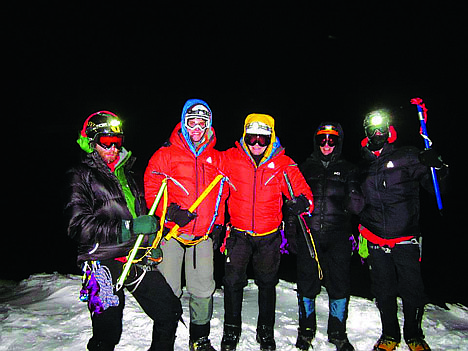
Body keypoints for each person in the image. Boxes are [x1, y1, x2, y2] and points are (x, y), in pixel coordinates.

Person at [64, 111, 182, 351]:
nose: (114, 148)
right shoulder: (80, 175)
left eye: (118, 142)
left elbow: (140, 215)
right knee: (108, 330)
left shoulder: (127, 173)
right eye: (107, 142)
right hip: (101, 260)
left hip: (133, 256)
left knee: (169, 311)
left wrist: (149, 238)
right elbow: (78, 226)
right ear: (91, 141)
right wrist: (129, 229)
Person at [356, 109, 448, 351]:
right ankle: (390, 335)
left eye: (382, 129)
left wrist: (437, 166)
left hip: (405, 235)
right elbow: (356, 200)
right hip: (375, 236)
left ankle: (414, 335)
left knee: (412, 289)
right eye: (373, 129)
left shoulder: (407, 155)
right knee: (383, 289)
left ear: (389, 131)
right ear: (366, 132)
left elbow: (436, 186)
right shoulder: (363, 164)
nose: (378, 133)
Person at [220, 113, 314, 351]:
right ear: (244, 136)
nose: (257, 145)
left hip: (269, 236)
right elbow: (206, 169)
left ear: (270, 139)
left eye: (263, 140)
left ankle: (265, 332)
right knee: (232, 282)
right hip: (239, 233)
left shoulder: (283, 162)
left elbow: (303, 191)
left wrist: (303, 202)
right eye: (252, 139)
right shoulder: (230, 158)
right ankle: (231, 331)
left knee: (267, 283)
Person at [144, 99, 226, 351]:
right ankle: (163, 340)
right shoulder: (165, 154)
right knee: (167, 288)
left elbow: (221, 194)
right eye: (192, 122)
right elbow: (151, 189)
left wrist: (218, 225)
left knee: (203, 288)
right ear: (184, 123)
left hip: (201, 236)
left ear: (208, 125)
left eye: (202, 123)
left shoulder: (217, 158)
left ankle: (199, 339)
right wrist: (168, 213)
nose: (197, 128)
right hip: (172, 233)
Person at [292, 122, 363, 351]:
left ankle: (337, 332)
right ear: (316, 141)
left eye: (331, 140)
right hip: (309, 234)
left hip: (338, 235)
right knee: (306, 284)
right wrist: (291, 230)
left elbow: (358, 205)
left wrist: (355, 199)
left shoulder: (349, 168)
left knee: (340, 284)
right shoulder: (304, 167)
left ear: (338, 142)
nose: (326, 144)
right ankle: (306, 331)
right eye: (322, 139)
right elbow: (292, 202)